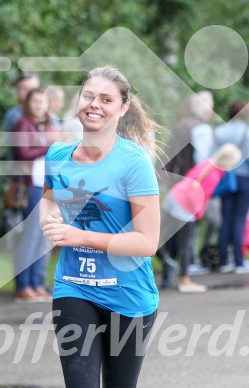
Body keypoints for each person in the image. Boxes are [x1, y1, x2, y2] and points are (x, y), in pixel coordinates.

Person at [40, 67, 163, 388]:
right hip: (74, 286)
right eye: (89, 96)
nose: (95, 104)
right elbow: (50, 198)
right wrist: (48, 220)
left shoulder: (134, 163)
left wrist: (80, 236)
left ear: (123, 109)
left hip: (128, 294)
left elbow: (147, 242)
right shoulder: (57, 155)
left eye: (106, 100)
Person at [160, 143, 241, 292]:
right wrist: (198, 215)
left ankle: (166, 260)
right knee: (186, 244)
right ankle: (185, 281)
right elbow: (201, 197)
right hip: (185, 206)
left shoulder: (206, 163)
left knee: (158, 235)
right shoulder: (215, 175)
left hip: (174, 197)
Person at [159, 91, 215, 286]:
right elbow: (203, 160)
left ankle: (171, 261)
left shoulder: (181, 124)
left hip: (176, 178)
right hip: (192, 182)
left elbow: (168, 152)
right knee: (188, 228)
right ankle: (187, 267)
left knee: (172, 225)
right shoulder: (201, 128)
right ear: (206, 109)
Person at [12, 88, 56, 302]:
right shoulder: (22, 124)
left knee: (40, 238)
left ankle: (36, 284)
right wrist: (48, 145)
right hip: (31, 186)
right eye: (35, 101)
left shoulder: (42, 126)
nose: (39, 105)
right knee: (29, 238)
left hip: (44, 186)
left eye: (43, 102)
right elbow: (22, 153)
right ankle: (23, 285)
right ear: (28, 103)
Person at [214, 100, 249, 274]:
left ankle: (223, 261)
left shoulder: (219, 131)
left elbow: (216, 156)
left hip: (226, 177)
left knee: (226, 219)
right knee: (240, 219)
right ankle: (239, 262)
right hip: (245, 179)